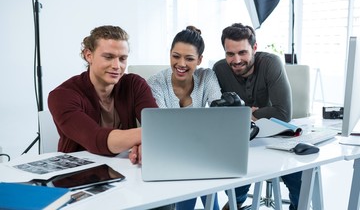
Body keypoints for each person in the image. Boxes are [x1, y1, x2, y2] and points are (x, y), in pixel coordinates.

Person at [212, 23, 301, 210]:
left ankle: (298, 205)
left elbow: (283, 113)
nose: (236, 60)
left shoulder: (270, 63)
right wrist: (248, 112)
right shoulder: (219, 69)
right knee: (238, 161)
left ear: (254, 48)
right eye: (230, 54)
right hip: (242, 137)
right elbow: (221, 113)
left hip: (275, 136)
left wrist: (246, 112)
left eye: (242, 53)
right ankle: (237, 202)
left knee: (298, 174)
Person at [48, 25, 155, 163]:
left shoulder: (135, 84)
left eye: (122, 58)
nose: (117, 66)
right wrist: (150, 134)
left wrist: (143, 145)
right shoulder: (62, 96)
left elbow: (154, 122)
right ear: (89, 55)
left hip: (126, 168)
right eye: (108, 57)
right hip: (78, 173)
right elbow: (95, 139)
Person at [147, 26, 221, 210]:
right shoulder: (155, 83)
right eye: (176, 56)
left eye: (189, 59)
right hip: (167, 154)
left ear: (200, 60)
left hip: (201, 152)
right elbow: (162, 128)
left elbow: (220, 114)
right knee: (200, 170)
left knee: (201, 167)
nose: (181, 64)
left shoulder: (207, 76)